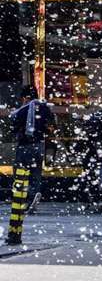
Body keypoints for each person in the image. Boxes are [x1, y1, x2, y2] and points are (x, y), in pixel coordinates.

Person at [5, 85, 55, 245]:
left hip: (24, 145)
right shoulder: (44, 107)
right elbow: (51, 126)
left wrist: (20, 132)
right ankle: (33, 194)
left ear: (25, 97)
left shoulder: (22, 109)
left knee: (20, 173)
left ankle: (21, 198)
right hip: (39, 144)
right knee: (35, 172)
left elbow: (13, 126)